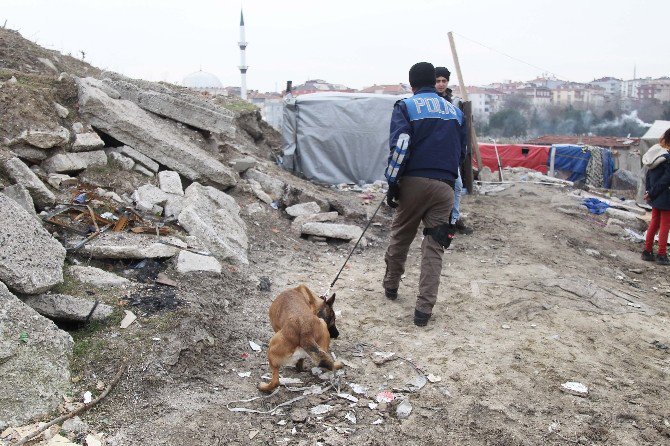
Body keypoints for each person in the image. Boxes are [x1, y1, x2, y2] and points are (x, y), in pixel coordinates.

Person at [383, 62, 467, 326]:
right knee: (434, 247)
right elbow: (461, 154)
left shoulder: (405, 107)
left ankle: (391, 286)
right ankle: (423, 311)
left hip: (414, 183)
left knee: (402, 235)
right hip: (445, 187)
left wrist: (392, 182)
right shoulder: (456, 112)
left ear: (412, 85)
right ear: (435, 82)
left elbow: (401, 145)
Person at [434, 66, 472, 235]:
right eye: (437, 81)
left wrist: (459, 154)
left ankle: (453, 221)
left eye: (444, 81)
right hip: (433, 153)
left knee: (457, 186)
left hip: (449, 152)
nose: (441, 84)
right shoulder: (430, 101)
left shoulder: (453, 102)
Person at [642, 127, 670, 265]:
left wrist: (649, 192)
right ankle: (662, 254)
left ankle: (647, 251)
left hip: (655, 195)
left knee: (654, 222)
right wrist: (652, 192)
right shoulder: (668, 157)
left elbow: (648, 175)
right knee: (665, 225)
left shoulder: (657, 153)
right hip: (666, 196)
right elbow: (666, 180)